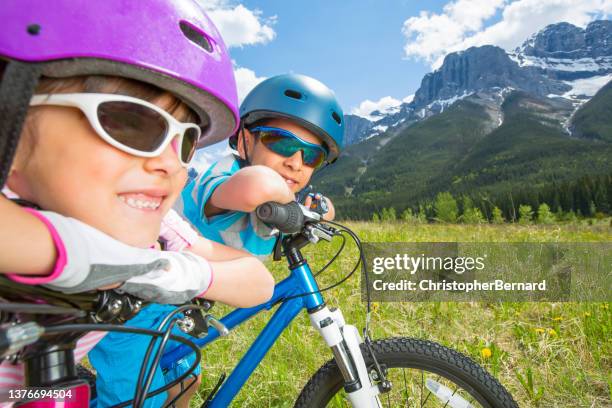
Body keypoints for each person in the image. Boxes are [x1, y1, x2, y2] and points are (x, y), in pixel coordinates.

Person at [0, 1, 273, 407]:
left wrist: (168, 271)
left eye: (185, 141)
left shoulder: (155, 230)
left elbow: (257, 281)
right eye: (132, 123)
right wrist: (72, 251)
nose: (169, 163)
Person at [177, 74, 345, 258]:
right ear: (244, 143)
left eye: (312, 156)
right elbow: (257, 186)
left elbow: (328, 209)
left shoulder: (282, 193)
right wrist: (294, 209)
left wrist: (319, 209)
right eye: (282, 143)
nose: (296, 164)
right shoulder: (229, 175)